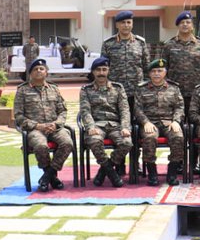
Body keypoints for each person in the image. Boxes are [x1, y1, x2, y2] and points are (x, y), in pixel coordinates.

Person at [13, 58, 73, 193]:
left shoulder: (54, 89)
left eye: (42, 69)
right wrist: (37, 126)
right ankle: (52, 178)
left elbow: (62, 111)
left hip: (54, 128)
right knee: (41, 146)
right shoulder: (22, 91)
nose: (39, 71)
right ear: (30, 74)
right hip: (35, 130)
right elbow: (18, 116)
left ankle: (47, 176)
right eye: (35, 69)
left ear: (46, 72)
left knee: (68, 143)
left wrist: (56, 124)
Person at [78, 56, 131, 188]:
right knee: (94, 141)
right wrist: (90, 126)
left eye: (104, 69)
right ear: (93, 72)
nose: (101, 73)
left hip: (115, 125)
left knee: (127, 143)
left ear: (108, 71)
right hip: (96, 125)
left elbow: (125, 110)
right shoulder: (86, 90)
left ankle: (103, 171)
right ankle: (112, 173)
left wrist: (125, 127)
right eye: (98, 70)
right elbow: (85, 111)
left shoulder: (118, 88)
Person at [134, 58, 186, 186]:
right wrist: (145, 122)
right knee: (150, 138)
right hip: (150, 123)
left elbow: (180, 107)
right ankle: (152, 173)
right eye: (154, 71)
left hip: (169, 122)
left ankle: (172, 173)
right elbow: (137, 109)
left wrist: (176, 121)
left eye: (160, 70)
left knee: (178, 137)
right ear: (149, 73)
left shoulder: (174, 88)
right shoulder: (141, 89)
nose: (157, 73)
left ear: (165, 72)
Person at [161, 10, 200, 100]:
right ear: (178, 26)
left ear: (192, 26)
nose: (185, 24)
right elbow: (163, 67)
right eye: (182, 22)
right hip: (175, 90)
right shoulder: (169, 45)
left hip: (196, 90)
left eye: (188, 22)